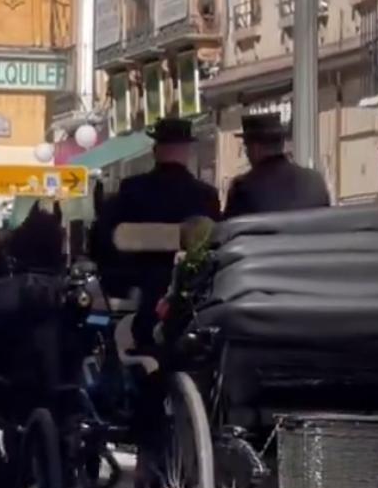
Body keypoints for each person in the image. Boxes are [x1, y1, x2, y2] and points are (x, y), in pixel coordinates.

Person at [93, 117, 221, 351]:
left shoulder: (132, 189)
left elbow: (103, 240)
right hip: (192, 301)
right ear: (188, 152)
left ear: (155, 150)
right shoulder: (205, 195)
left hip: (139, 294)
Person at [223, 113, 332, 219]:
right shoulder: (314, 180)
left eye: (247, 147)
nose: (246, 154)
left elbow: (229, 232)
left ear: (255, 148)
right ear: (282, 144)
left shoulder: (243, 188)